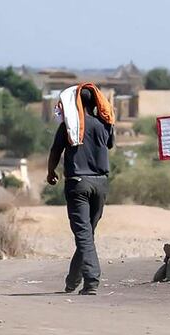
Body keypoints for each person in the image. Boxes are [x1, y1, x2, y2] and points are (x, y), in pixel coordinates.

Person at [47, 84, 115, 295]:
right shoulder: (105, 125)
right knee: (87, 234)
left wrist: (51, 172)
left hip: (78, 183)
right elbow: (110, 145)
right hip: (101, 184)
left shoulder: (70, 127)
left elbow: (55, 151)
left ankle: (92, 280)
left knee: (83, 235)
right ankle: (72, 281)